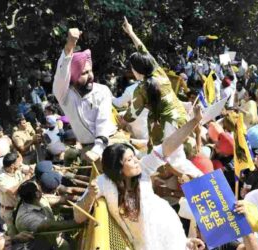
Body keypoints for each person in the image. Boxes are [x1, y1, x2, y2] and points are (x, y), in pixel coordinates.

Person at [74, 106, 205, 250]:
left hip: (176, 237)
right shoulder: (103, 183)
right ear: (117, 168)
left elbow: (168, 146)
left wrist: (195, 120)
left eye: (134, 157)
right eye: (130, 159)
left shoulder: (143, 171)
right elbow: (78, 216)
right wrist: (91, 196)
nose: (137, 161)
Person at [53, 28, 117, 165]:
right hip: (88, 149)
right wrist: (70, 45)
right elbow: (61, 74)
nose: (90, 76)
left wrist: (97, 149)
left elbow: (103, 122)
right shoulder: (64, 95)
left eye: (90, 71)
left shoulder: (102, 91)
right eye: (84, 73)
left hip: (111, 142)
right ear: (73, 76)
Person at [121, 17, 188, 149]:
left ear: (135, 70)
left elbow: (131, 115)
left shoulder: (140, 89)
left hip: (167, 130)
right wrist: (131, 32)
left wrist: (121, 121)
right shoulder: (158, 71)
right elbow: (143, 50)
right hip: (182, 120)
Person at [15, 181, 78, 249]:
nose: (40, 187)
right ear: (37, 194)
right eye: (38, 187)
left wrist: (84, 200)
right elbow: (50, 226)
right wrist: (79, 222)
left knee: (69, 245)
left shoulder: (40, 199)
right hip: (42, 247)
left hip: (52, 239)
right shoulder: (26, 217)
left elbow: (63, 199)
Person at [0, 152, 32, 236]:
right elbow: (12, 191)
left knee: (25, 232)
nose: (20, 164)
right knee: (14, 237)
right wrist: (25, 179)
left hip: (21, 207)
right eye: (18, 162)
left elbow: (28, 168)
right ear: (12, 165)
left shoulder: (16, 168)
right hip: (9, 211)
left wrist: (30, 170)